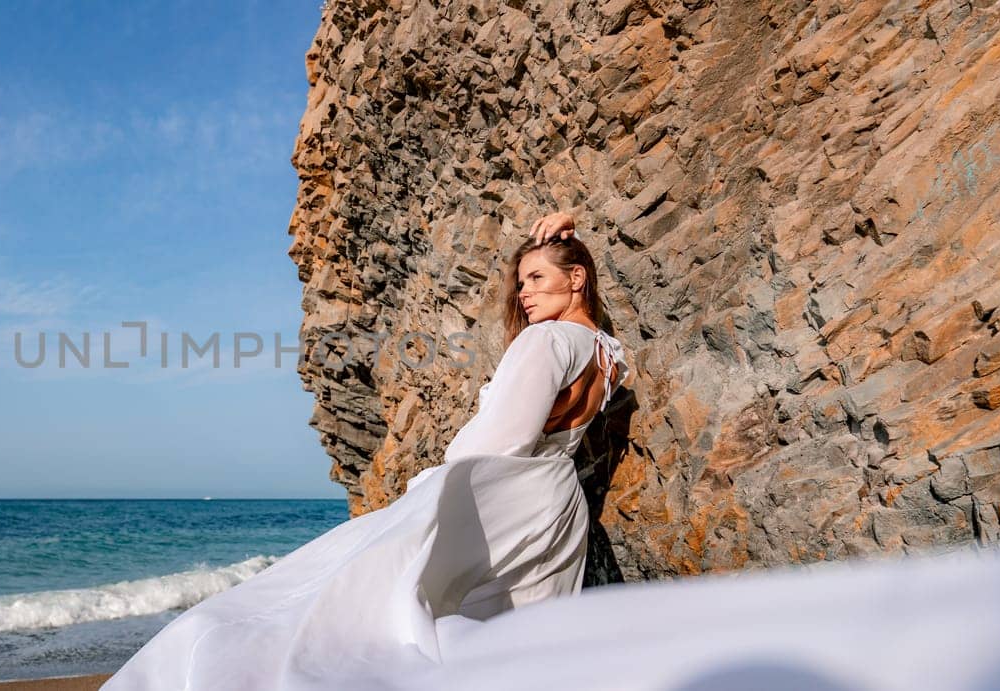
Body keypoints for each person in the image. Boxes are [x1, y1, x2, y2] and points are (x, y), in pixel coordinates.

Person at [101, 211, 628, 690]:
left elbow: (504, 437)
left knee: (360, 611)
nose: (525, 295)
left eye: (537, 279)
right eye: (521, 283)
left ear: (576, 278)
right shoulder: (607, 354)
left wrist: (440, 477)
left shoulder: (544, 342)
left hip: (504, 495)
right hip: (557, 508)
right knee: (514, 650)